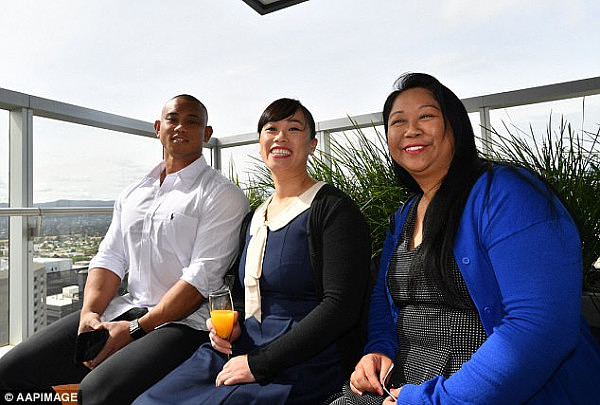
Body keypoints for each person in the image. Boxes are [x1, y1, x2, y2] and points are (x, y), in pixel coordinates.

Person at [329, 73, 600, 405]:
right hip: (404, 384)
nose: (410, 129)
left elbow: (539, 327)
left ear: (455, 125)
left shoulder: (505, 194)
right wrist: (378, 349)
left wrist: (433, 400)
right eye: (398, 122)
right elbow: (386, 304)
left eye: (426, 116)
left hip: (480, 390)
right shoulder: (404, 216)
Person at [0, 95, 249, 404]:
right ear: (158, 128)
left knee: (95, 393)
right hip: (126, 308)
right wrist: (90, 313)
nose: (181, 126)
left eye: (193, 121)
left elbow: (200, 280)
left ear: (206, 134)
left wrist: (132, 330)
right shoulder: (134, 192)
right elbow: (110, 257)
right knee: (11, 371)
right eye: (173, 119)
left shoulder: (222, 195)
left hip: (183, 324)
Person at [134, 98, 372, 405]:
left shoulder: (333, 211)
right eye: (271, 128)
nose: (280, 137)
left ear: (312, 145)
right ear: (260, 143)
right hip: (241, 348)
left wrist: (258, 364)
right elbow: (246, 296)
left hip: (303, 360)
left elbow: (340, 308)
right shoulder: (254, 217)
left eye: (294, 128)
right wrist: (230, 324)